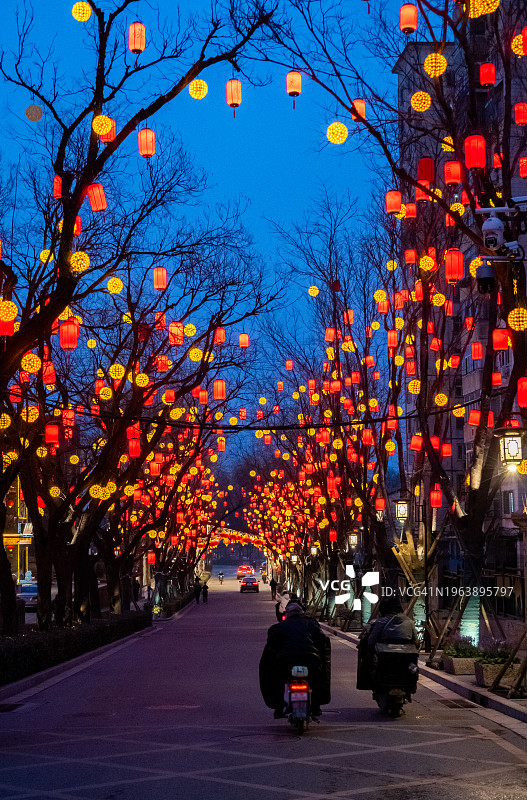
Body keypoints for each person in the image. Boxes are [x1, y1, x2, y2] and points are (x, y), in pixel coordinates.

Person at [259, 602, 331, 718]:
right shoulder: (311, 624)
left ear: (287, 614)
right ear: (301, 613)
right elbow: (323, 641)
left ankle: (278, 708)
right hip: (311, 661)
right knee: (318, 680)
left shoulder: (279, 627)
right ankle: (316, 707)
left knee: (277, 681)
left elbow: (271, 646)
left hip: (285, 663)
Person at [357, 596, 420, 690]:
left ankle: (366, 681)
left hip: (384, 658)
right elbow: (416, 641)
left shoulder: (380, 622)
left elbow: (371, 641)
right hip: (405, 658)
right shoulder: (409, 622)